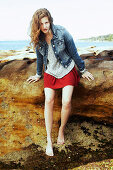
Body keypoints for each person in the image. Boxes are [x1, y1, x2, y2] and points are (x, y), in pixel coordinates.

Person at [27, 8, 94, 156]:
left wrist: (82, 70)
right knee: (49, 100)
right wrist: (38, 74)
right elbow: (40, 59)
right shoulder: (38, 38)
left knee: (66, 102)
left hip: (67, 69)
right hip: (50, 72)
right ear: (37, 25)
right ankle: (49, 140)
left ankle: (61, 130)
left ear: (50, 20)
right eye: (41, 24)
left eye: (46, 22)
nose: (45, 26)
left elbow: (74, 52)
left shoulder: (62, 32)